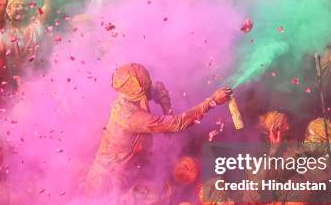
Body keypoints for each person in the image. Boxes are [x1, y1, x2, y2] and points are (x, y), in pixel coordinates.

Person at [85, 63, 232, 193]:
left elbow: (159, 88)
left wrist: (167, 112)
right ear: (139, 90)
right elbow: (176, 124)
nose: (150, 88)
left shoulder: (131, 95)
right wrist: (211, 101)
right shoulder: (130, 117)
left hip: (129, 172)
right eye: (147, 86)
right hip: (108, 182)